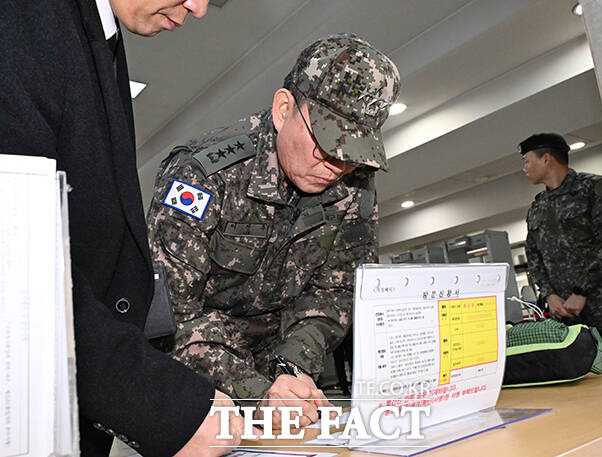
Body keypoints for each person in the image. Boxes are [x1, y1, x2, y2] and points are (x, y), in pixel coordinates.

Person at [0, 0, 251, 455]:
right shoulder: (26, 18)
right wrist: (160, 404)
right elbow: (12, 263)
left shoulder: (99, 34)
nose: (197, 8)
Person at [147, 33, 400, 425]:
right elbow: (172, 316)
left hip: (282, 382)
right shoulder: (202, 176)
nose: (337, 166)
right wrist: (255, 390)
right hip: (193, 381)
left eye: (353, 155)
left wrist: (293, 366)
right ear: (284, 110)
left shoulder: (354, 184)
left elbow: (334, 292)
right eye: (327, 145)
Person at [520, 132, 602, 369]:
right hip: (564, 314)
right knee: (581, 376)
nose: (524, 168)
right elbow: (533, 257)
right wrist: (550, 295)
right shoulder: (537, 207)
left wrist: (580, 291)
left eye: (527, 160)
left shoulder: (594, 188)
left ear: (547, 159)